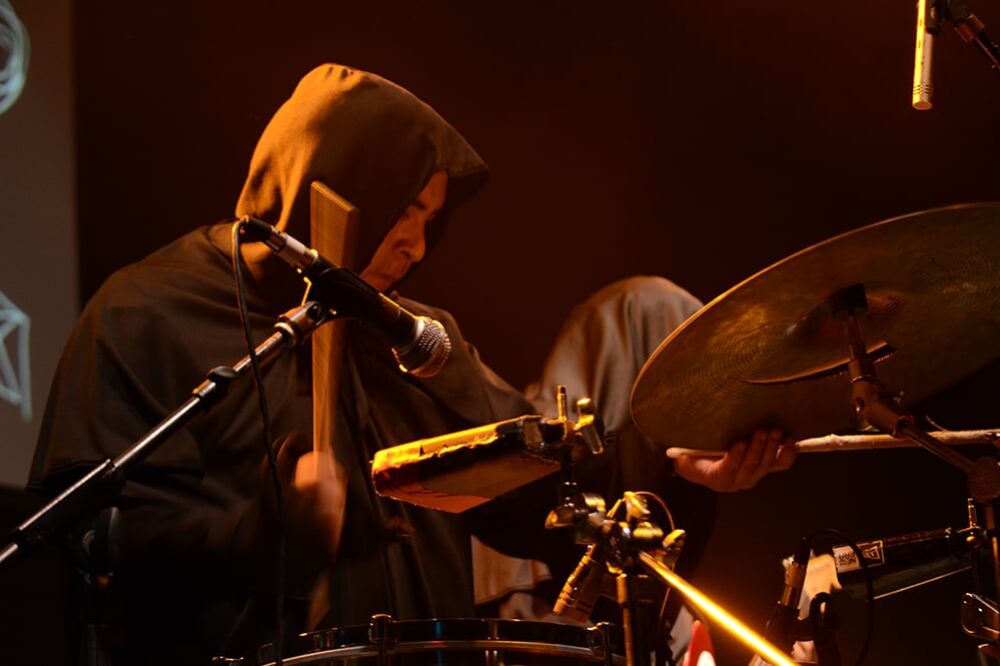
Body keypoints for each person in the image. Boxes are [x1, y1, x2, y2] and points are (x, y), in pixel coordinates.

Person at [28, 64, 793, 665]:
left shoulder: (408, 338)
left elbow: (533, 489)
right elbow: (96, 543)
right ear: (330, 187)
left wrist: (680, 466)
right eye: (404, 213)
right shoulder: (147, 315)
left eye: (431, 221)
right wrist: (268, 529)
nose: (417, 246)